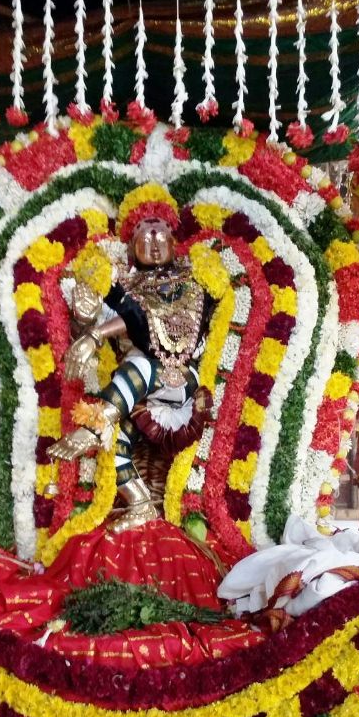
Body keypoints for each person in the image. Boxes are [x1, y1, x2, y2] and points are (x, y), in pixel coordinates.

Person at [48, 217, 213, 531]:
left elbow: (143, 320)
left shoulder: (192, 281)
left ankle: (96, 424)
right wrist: (84, 319)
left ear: (173, 242)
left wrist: (95, 335)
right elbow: (103, 322)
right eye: (145, 239)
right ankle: (140, 504)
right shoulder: (121, 286)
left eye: (160, 237)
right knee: (115, 443)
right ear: (131, 246)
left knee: (140, 364)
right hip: (135, 394)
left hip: (179, 379)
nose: (154, 246)